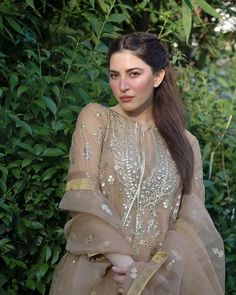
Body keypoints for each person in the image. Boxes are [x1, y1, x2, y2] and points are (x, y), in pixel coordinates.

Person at [49, 32, 225, 295]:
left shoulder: (186, 144)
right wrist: (129, 270)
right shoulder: (96, 119)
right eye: (114, 75)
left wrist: (148, 277)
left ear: (157, 76)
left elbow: (191, 222)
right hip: (98, 275)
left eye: (133, 74)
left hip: (159, 283)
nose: (122, 86)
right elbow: (83, 197)